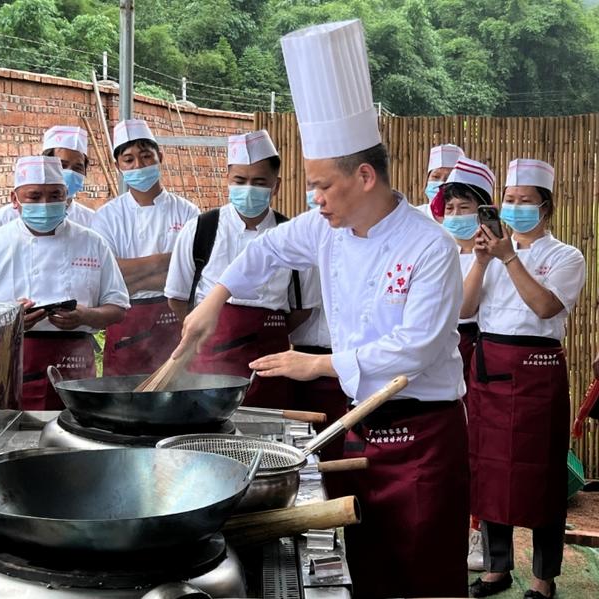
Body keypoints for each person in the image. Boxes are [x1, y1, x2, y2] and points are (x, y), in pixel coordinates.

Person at [174, 20, 469, 599]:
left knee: (426, 576)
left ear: (365, 176)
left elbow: (420, 348)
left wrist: (317, 365)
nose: (314, 201)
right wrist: (216, 296)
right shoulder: (325, 227)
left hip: (423, 440)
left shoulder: (428, 245)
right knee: (370, 569)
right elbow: (266, 248)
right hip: (361, 430)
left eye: (322, 187)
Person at [462, 159, 585, 599]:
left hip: (536, 371)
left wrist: (508, 257)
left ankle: (543, 578)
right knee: (490, 469)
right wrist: (480, 261)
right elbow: (463, 310)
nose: (514, 209)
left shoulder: (566, 256)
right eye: (508, 201)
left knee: (541, 474)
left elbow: (546, 308)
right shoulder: (489, 254)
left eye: (524, 202)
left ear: (545, 207)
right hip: (489, 364)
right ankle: (497, 571)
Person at [0, 156, 129, 410]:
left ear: (66, 197)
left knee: (75, 432)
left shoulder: (92, 243)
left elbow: (118, 307)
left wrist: (86, 315)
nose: (45, 205)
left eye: (55, 196)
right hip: (11, 360)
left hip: (75, 362)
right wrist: (6, 320)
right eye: (34, 197)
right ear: (15, 200)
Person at [164, 130, 307, 408]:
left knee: (266, 431)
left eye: (259, 182)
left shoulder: (291, 237)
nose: (248, 189)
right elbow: (177, 297)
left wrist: (264, 328)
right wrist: (210, 330)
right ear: (227, 180)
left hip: (269, 360)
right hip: (209, 358)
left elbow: (303, 308)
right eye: (240, 181)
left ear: (275, 186)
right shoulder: (201, 229)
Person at [92, 119, 199, 376]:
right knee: (121, 403)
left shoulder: (187, 212)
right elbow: (109, 276)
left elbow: (193, 273)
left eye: (146, 156)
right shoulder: (107, 216)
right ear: (117, 166)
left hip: (175, 315)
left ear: (159, 156)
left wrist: (134, 281)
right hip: (126, 321)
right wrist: (168, 261)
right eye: (128, 159)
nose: (138, 165)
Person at [438, 157, 496, 573]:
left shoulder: (495, 257)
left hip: (474, 350)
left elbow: (464, 307)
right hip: (435, 351)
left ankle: (476, 533)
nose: (456, 216)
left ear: (486, 211)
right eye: (451, 208)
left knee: (479, 445)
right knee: (446, 443)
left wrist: (480, 258)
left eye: (466, 208)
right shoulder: (435, 248)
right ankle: (446, 527)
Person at [287, 193, 348, 472]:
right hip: (299, 357)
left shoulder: (359, 245)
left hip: (343, 361)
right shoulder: (295, 242)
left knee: (340, 441)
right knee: (298, 442)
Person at [0, 125, 94, 230]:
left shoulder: (90, 220)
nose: (70, 172)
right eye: (62, 165)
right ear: (46, 165)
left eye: (78, 167)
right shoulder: (7, 217)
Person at [417, 143, 464, 222]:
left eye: (449, 178)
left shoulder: (470, 222)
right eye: (436, 177)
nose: (441, 183)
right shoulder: (414, 216)